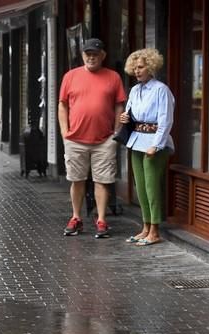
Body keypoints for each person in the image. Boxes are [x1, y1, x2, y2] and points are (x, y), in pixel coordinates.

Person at [58, 38, 126, 238]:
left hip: (105, 140)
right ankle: (76, 217)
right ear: (82, 55)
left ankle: (102, 220)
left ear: (102, 56)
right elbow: (62, 105)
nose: (91, 57)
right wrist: (64, 132)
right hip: (75, 139)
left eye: (95, 54)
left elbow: (119, 105)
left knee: (102, 181)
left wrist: (116, 132)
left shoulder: (113, 77)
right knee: (76, 180)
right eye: (88, 54)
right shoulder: (70, 76)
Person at [119, 48, 175, 246]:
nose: (137, 70)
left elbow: (165, 120)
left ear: (151, 67)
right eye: (134, 67)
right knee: (141, 187)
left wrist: (157, 145)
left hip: (154, 142)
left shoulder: (161, 89)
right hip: (136, 140)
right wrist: (125, 117)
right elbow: (131, 114)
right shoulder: (135, 90)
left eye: (140, 67)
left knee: (152, 187)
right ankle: (145, 227)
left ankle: (155, 230)